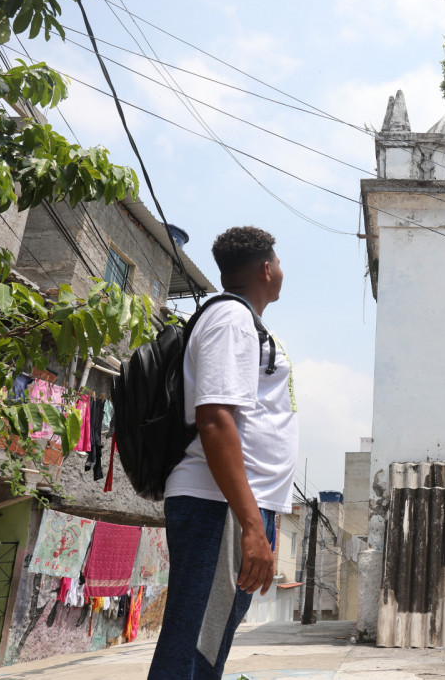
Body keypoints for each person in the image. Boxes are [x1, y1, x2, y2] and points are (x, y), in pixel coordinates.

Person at [148, 226, 298, 680]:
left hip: (235, 506)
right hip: (223, 507)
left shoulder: (242, 321)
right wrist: (251, 525)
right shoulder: (231, 320)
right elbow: (214, 420)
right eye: (280, 263)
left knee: (207, 646)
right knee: (194, 646)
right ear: (268, 269)